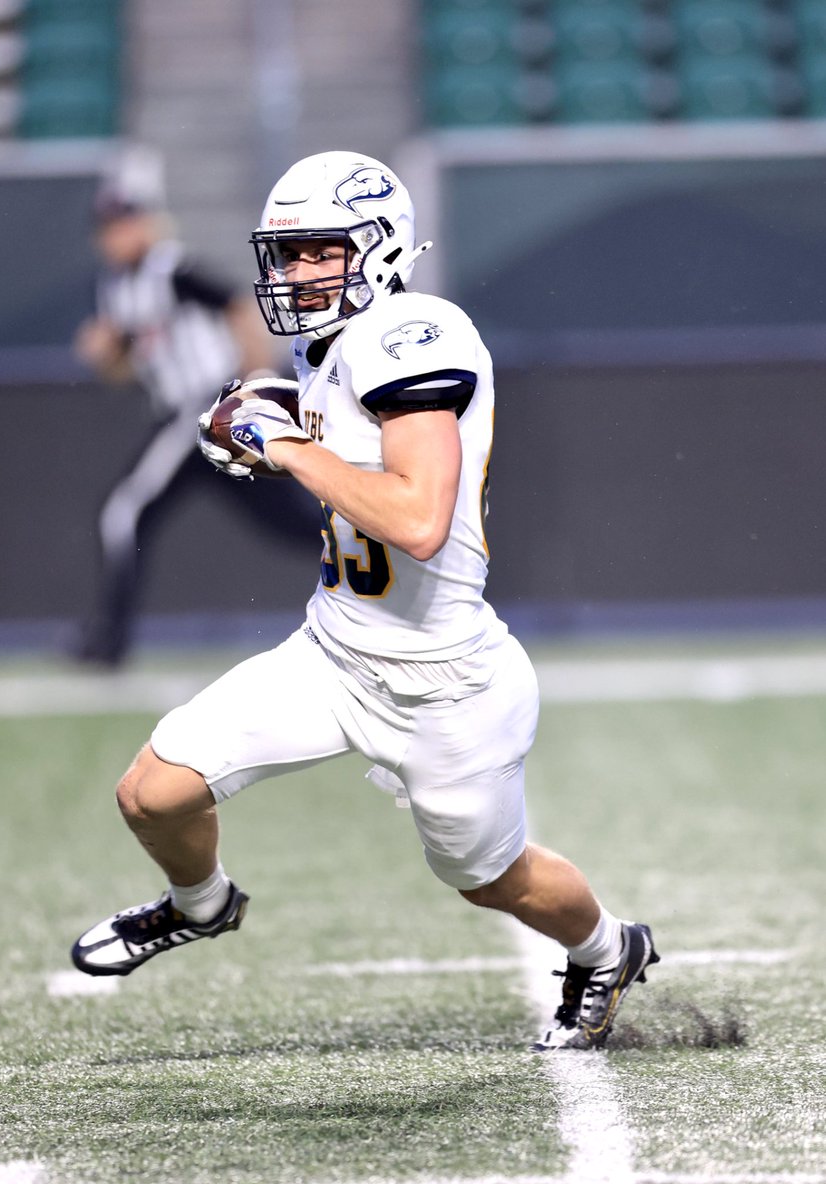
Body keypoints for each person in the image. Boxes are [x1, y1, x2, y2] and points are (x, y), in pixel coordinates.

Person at [72, 151, 659, 1050]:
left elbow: (419, 520)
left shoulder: (414, 332)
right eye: (288, 254)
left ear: (380, 248)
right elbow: (349, 459)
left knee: (489, 879)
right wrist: (285, 427)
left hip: (446, 682)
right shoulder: (329, 346)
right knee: (151, 795)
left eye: (321, 251)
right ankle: (201, 904)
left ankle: (608, 948)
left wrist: (286, 447)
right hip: (334, 652)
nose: (298, 273)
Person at [71, 167, 278, 666]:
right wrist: (105, 353)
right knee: (285, 519)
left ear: (145, 223)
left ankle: (107, 642)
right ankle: (108, 640)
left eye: (125, 223)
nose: (118, 237)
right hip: (182, 415)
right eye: (109, 228)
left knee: (124, 511)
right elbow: (125, 370)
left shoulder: (172, 268)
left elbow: (238, 309)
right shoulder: (115, 288)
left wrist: (256, 384)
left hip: (205, 408)